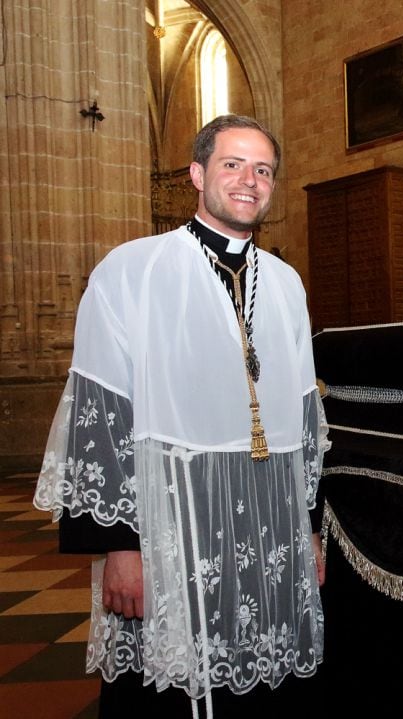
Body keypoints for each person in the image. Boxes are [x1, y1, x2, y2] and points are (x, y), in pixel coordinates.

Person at [33, 115, 328, 716]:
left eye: (263, 169)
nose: (249, 180)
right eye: (232, 164)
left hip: (267, 525)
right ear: (197, 174)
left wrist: (311, 529)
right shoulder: (133, 269)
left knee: (262, 680)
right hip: (169, 526)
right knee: (165, 688)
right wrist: (119, 547)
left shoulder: (286, 283)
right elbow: (100, 414)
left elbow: (303, 418)